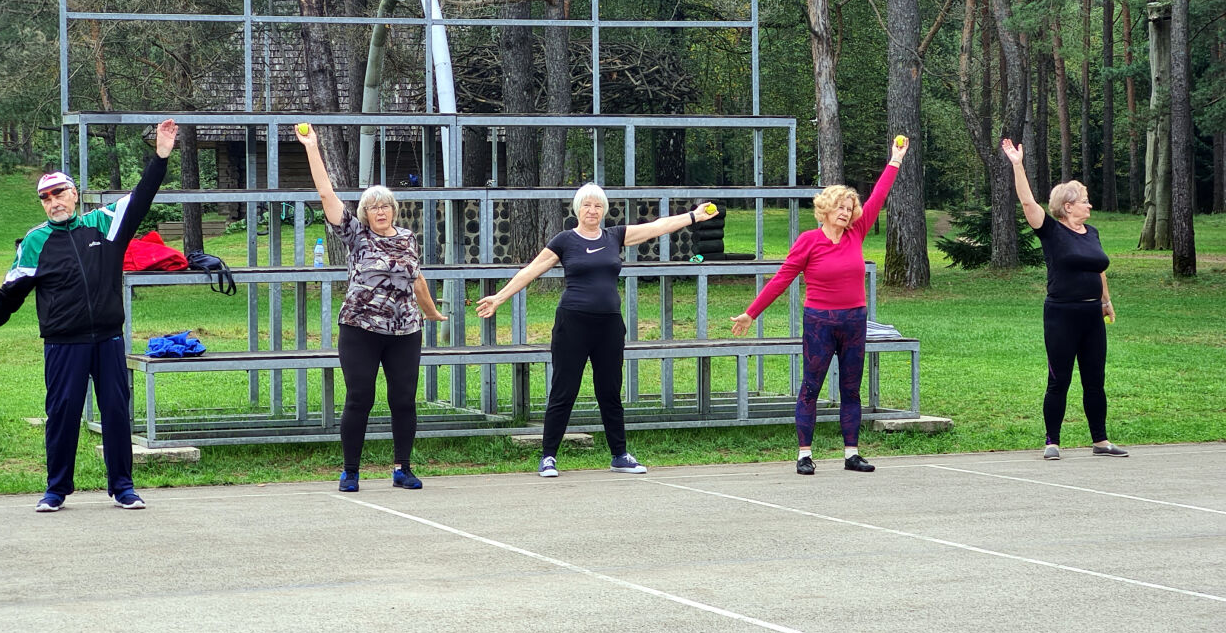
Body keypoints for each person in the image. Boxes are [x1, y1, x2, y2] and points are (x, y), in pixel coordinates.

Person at [0, 119, 179, 512]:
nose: (54, 201)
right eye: (46, 197)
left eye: (60, 193)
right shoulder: (35, 241)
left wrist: (160, 156)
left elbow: (142, 195)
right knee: (61, 415)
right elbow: (10, 292)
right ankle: (56, 490)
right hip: (63, 345)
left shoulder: (104, 224)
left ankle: (123, 487)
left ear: (75, 195)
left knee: (115, 413)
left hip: (108, 340)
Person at [476, 184, 718, 477]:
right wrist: (499, 298)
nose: (592, 211)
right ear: (577, 209)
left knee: (610, 391)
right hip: (572, 324)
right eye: (587, 205)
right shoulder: (565, 240)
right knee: (564, 390)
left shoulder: (614, 236)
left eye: (598, 206)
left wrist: (693, 216)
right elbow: (531, 270)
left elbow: (658, 226)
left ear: (604, 210)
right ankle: (549, 456)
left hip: (609, 325)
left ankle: (619, 455)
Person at [729, 137, 909, 476]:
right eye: (840, 206)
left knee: (851, 388)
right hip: (819, 322)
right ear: (825, 209)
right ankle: (804, 454)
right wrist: (751, 313)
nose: (846, 212)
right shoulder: (808, 241)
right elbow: (781, 279)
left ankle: (851, 453)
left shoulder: (857, 232)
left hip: (854, 320)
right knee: (811, 386)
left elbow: (879, 196)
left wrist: (895, 160)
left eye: (850, 208)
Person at [296, 124, 447, 491]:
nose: (381, 211)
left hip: (404, 331)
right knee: (360, 396)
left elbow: (416, 278)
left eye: (386, 206)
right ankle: (350, 470)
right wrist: (312, 147)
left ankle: (402, 468)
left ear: (394, 210)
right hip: (360, 328)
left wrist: (431, 313)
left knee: (403, 399)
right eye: (374, 206)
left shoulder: (408, 238)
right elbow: (325, 193)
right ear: (365, 213)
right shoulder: (356, 235)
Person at [1001, 139, 1127, 460]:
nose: (1090, 205)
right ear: (1068, 206)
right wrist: (1018, 164)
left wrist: (1106, 301)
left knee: (1095, 381)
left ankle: (1100, 440)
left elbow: (1099, 268)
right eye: (1085, 201)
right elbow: (1028, 203)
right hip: (1061, 315)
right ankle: (1052, 441)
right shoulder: (1052, 232)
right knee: (1059, 380)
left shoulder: (1093, 233)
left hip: (1091, 316)